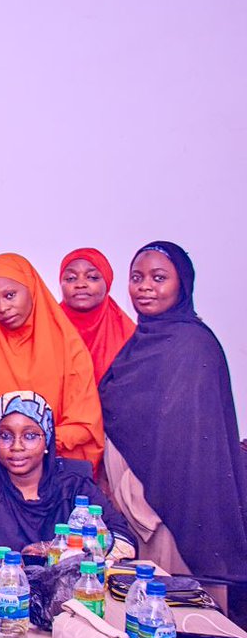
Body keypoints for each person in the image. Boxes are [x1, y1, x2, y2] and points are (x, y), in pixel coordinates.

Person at [100, 241, 247, 582]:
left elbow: (186, 437)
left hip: (170, 506)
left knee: (171, 598)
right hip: (133, 502)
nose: (145, 287)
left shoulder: (193, 345)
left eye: (159, 278)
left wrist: (143, 498)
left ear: (183, 284)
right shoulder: (141, 341)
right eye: (137, 277)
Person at [0, 253, 103, 470]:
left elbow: (84, 425)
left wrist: (27, 448)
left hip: (54, 467)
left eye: (10, 295)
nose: (2, 308)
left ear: (31, 288)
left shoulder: (67, 346)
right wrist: (6, 448)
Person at [0, 391, 133, 558]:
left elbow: (126, 544)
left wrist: (58, 548)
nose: (16, 446)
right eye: (5, 436)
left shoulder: (75, 488)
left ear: (47, 439)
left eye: (30, 436)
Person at [58, 247, 135, 382]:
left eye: (92, 277)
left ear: (107, 282)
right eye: (71, 278)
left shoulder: (129, 336)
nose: (80, 284)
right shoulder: (44, 328)